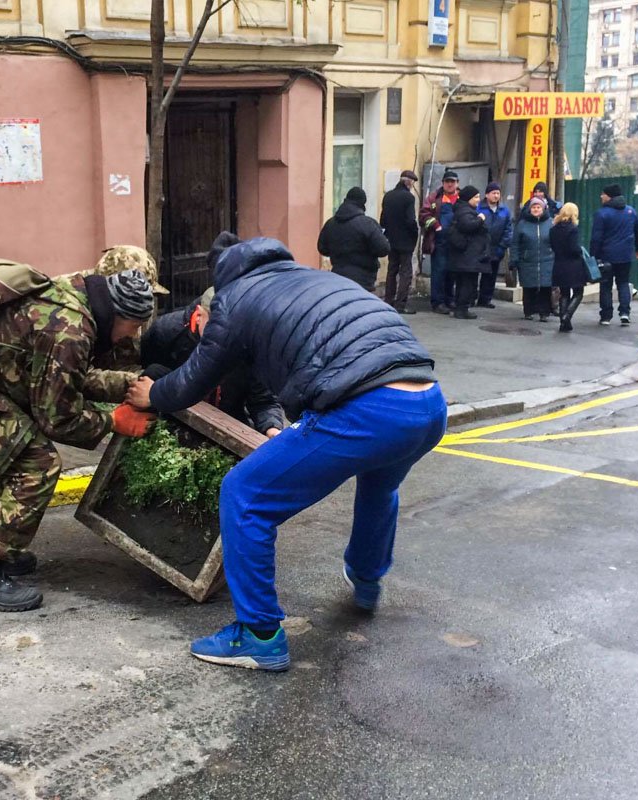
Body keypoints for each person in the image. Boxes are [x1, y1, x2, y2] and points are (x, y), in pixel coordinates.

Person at [126, 237, 444, 671]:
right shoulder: (312, 278)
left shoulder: (236, 297)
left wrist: (153, 395)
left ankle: (259, 635)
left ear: (224, 277)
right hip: (427, 403)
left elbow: (191, 382)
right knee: (379, 484)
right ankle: (367, 580)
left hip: (367, 408)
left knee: (244, 493)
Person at [0, 267, 158, 612]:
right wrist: (113, 420)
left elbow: (64, 376)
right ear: (119, 314)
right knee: (36, 463)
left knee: (11, 457)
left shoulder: (73, 298)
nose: (133, 334)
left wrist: (127, 384)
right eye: (134, 325)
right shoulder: (71, 330)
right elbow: (58, 418)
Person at [141, 283, 284, 438]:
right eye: (217, 327)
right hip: (172, 418)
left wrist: (273, 429)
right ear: (200, 314)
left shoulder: (252, 345)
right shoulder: (165, 332)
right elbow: (144, 374)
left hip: (228, 423)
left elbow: (264, 401)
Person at [589, 183, 638, 327]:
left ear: (609, 196)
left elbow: (596, 238)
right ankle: (625, 313)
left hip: (606, 255)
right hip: (625, 255)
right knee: (623, 283)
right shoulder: (630, 211)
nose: (601, 196)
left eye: (603, 194)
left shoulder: (602, 214)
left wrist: (593, 257)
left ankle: (606, 316)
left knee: (606, 285)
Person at [317, 186, 390, 292]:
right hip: (363, 280)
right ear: (362, 203)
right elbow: (383, 249)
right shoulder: (367, 224)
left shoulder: (331, 223)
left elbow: (322, 248)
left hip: (338, 275)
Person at [379, 169, 420, 313]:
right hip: (406, 241)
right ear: (409, 183)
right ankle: (401, 304)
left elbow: (382, 220)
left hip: (391, 239)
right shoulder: (408, 198)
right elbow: (410, 220)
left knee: (392, 270)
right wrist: (415, 232)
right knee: (406, 272)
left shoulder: (388, 196)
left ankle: (389, 300)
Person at [420, 169, 460, 313]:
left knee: (452, 273)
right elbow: (423, 215)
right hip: (439, 242)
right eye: (447, 182)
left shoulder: (462, 199)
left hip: (456, 243)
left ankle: (450, 299)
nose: (450, 184)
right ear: (443, 183)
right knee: (439, 272)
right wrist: (436, 225)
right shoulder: (434, 198)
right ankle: (438, 302)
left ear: (457, 183)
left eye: (452, 182)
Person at [445, 185, 488, 320]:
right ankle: (462, 309)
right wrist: (480, 219)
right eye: (475, 197)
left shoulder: (463, 209)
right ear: (468, 198)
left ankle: (461, 307)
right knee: (467, 283)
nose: (478, 200)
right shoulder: (465, 211)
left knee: (463, 282)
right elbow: (468, 226)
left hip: (466, 255)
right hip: (467, 255)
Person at [509, 197, 554, 322]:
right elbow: (515, 243)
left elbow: (556, 242)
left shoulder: (550, 223)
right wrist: (514, 259)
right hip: (527, 261)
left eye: (538, 207)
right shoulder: (522, 224)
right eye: (533, 207)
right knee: (529, 287)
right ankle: (528, 311)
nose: (536, 209)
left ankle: (544, 312)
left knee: (545, 287)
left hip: (547, 260)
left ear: (543, 209)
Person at [549, 202, 587, 333]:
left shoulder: (553, 229)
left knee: (564, 293)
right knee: (578, 292)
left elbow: (552, 246)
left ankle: (563, 323)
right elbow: (574, 248)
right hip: (573, 265)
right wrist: (581, 251)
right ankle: (567, 316)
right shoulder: (573, 229)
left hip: (559, 264)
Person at [476, 182, 513, 308]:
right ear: (487, 195)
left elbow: (508, 230)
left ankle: (485, 299)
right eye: (493, 193)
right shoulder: (479, 208)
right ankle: (471, 298)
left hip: (496, 247)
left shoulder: (504, 211)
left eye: (498, 193)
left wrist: (502, 247)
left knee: (491, 275)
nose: (496, 196)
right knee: (474, 273)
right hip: (480, 247)